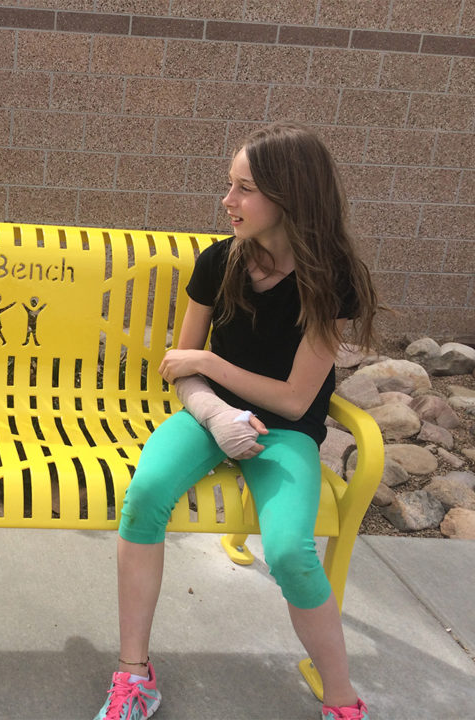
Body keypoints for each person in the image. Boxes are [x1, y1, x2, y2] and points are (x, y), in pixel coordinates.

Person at [94, 122, 377, 720]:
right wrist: (217, 413)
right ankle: (133, 673)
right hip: (206, 416)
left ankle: (342, 698)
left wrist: (212, 365)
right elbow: (181, 367)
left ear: (290, 197)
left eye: (244, 188)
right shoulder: (219, 260)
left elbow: (298, 400)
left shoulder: (331, 279)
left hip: (284, 434)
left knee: (293, 552)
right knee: (143, 496)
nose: (227, 201)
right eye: (230, 185)